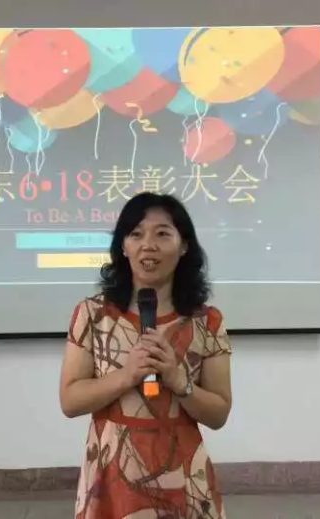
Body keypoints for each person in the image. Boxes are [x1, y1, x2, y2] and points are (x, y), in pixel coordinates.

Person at [59, 192, 233, 519]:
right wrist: (126, 375)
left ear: (184, 246)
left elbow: (218, 414)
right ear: (123, 247)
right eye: (136, 234)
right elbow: (70, 401)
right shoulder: (93, 315)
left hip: (182, 475)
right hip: (112, 476)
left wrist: (180, 382)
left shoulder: (207, 322)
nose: (148, 245)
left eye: (162, 233)